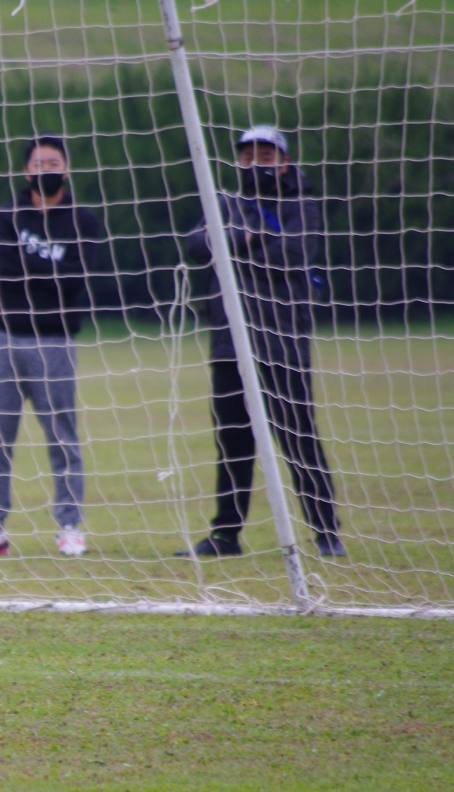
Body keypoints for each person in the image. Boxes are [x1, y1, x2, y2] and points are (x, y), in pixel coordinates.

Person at [177, 125, 346, 558]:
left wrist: (231, 250)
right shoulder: (226, 202)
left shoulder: (302, 205)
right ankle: (225, 535)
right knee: (232, 441)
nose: (256, 163)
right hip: (230, 341)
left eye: (266, 156)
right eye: (247, 156)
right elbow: (196, 243)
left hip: (282, 341)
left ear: (284, 161)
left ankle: (326, 532)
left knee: (298, 437)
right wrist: (246, 238)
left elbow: (291, 253)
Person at [0, 135, 102, 558]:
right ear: (26, 171)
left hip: (55, 340)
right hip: (2, 338)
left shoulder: (83, 220)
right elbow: (4, 270)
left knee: (62, 436)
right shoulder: (6, 216)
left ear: (66, 169)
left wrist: (35, 268)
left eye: (53, 162)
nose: (46, 169)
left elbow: (77, 279)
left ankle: (69, 526)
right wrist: (53, 269)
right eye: (38, 163)